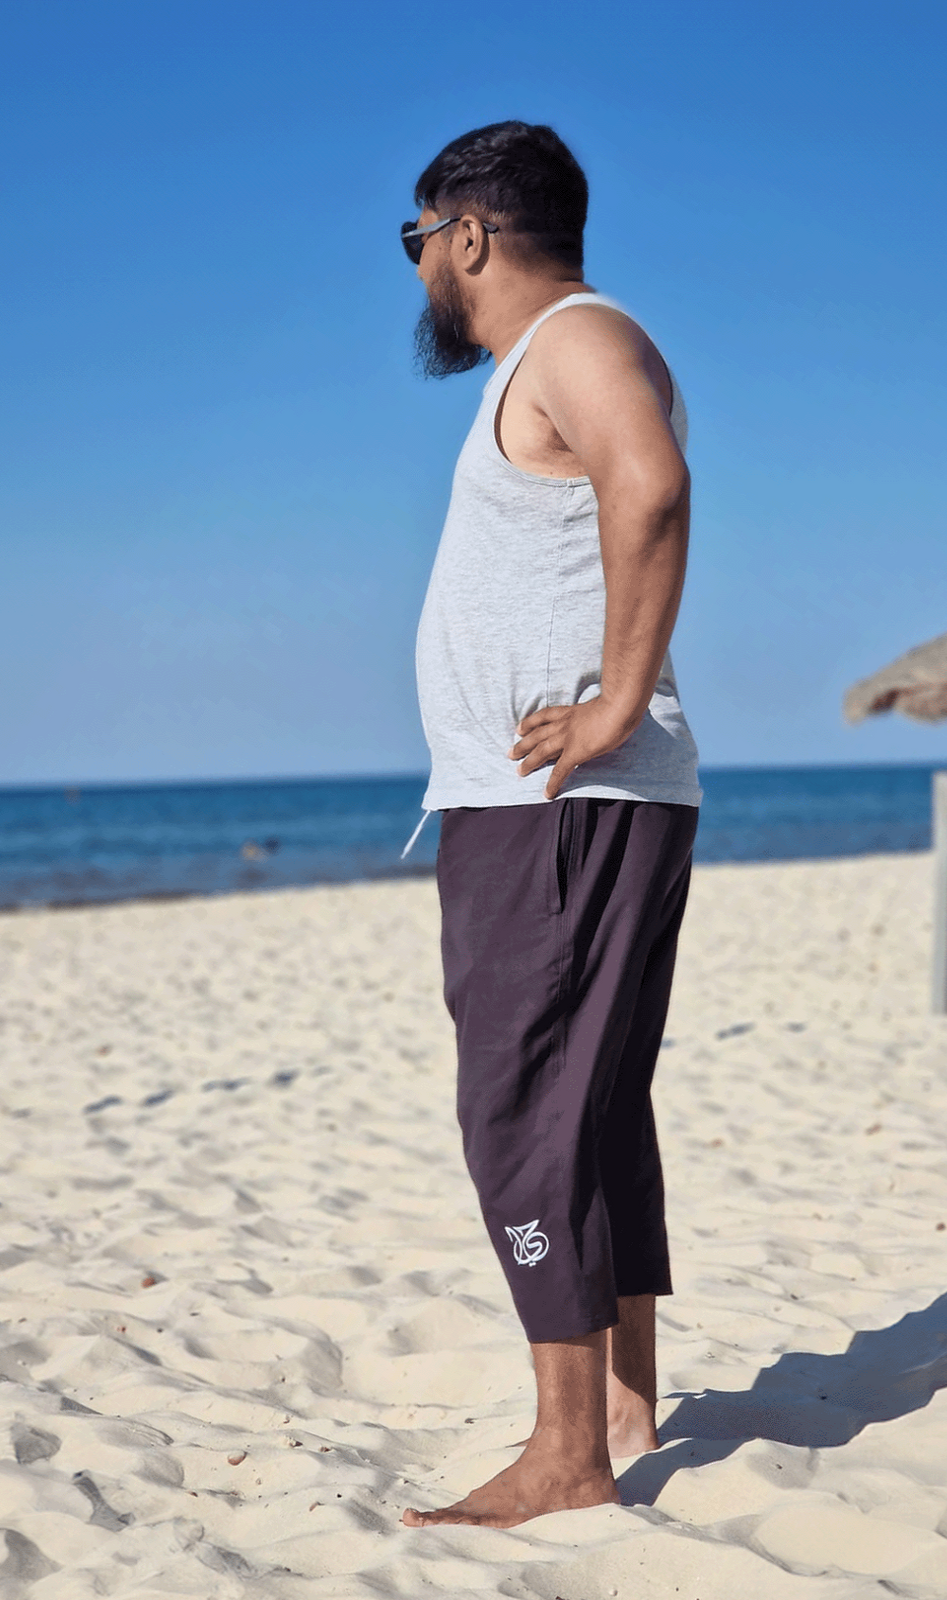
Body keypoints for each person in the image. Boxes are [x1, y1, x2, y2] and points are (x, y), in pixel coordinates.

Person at [399, 121, 702, 1529]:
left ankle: (569, 1452)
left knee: (522, 1108)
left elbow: (654, 483)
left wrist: (611, 703)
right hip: (564, 805)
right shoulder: (563, 351)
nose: (419, 270)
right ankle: (624, 1405)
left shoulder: (576, 338)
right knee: (590, 1100)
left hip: (559, 807)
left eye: (418, 241)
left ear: (467, 232)